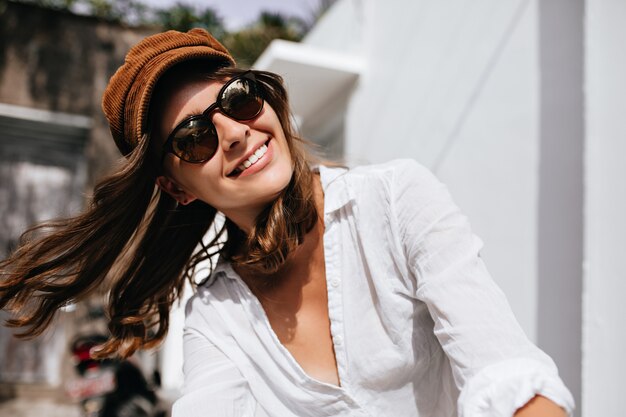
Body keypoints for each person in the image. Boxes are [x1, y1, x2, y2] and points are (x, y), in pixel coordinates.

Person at [0, 29, 574, 417]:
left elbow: (507, 371)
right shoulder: (217, 320)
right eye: (194, 137)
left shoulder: (397, 202)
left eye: (240, 98)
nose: (233, 131)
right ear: (175, 186)